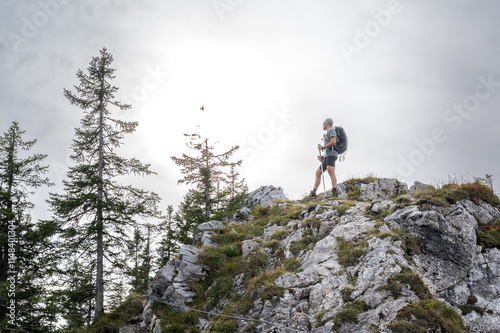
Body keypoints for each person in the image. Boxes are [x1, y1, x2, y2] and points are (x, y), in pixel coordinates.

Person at [310, 118, 338, 197]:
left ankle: (334, 191)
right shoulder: (327, 133)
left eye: (323, 123)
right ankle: (313, 192)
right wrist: (323, 157)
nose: (322, 125)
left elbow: (333, 141)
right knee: (318, 173)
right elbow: (329, 146)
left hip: (332, 155)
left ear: (326, 124)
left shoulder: (331, 131)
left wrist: (323, 147)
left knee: (330, 171)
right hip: (328, 155)